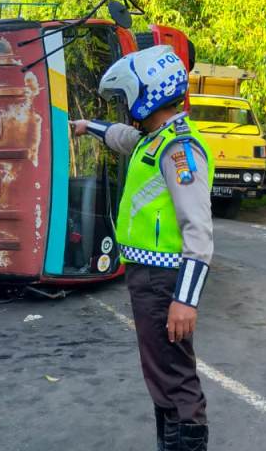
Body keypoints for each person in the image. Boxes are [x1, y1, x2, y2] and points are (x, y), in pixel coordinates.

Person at [72, 44, 214, 451]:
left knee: (175, 379)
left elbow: (198, 230)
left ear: (145, 93)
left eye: (125, 96)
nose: (124, 105)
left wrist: (185, 300)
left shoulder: (179, 149)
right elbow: (122, 137)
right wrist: (88, 126)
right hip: (149, 277)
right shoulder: (155, 140)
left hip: (164, 280)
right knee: (162, 377)